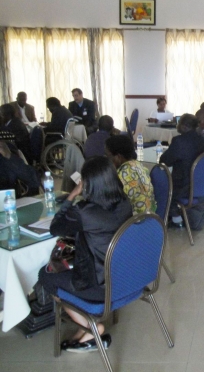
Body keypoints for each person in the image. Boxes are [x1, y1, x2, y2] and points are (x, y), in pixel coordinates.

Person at [38, 156, 133, 352]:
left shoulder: (84, 212)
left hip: (99, 287)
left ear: (88, 184)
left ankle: (92, 327)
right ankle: (87, 324)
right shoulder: (125, 203)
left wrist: (73, 194)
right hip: (124, 277)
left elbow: (55, 228)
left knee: (45, 275)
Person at [160, 114, 204, 229]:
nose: (177, 126)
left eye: (179, 123)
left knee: (163, 185)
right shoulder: (202, 139)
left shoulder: (179, 141)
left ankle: (176, 219)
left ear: (184, 126)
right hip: (203, 184)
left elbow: (164, 161)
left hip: (184, 187)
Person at [105, 135, 156, 214]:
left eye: (108, 156)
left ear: (118, 157)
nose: (107, 159)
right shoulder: (139, 166)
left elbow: (109, 203)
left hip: (133, 222)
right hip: (151, 219)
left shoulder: (122, 175)